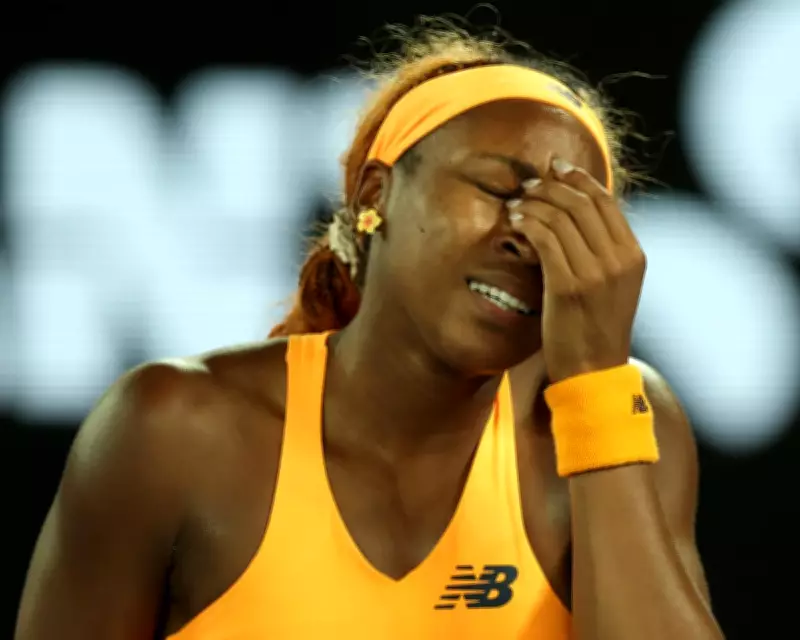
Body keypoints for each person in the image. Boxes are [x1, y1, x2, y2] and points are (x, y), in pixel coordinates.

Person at [15, 21, 724, 640]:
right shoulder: (174, 431)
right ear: (374, 194)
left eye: (570, 219)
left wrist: (596, 387)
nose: (528, 236)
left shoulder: (625, 420)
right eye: (498, 189)